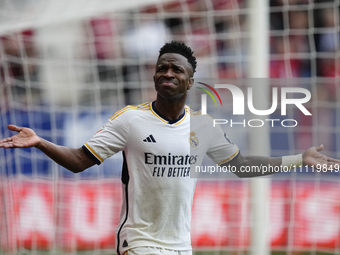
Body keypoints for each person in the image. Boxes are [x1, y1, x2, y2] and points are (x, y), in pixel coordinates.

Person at [1, 41, 340, 255]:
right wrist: (41, 141)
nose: (168, 73)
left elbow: (243, 165)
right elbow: (78, 161)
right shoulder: (130, 120)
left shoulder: (204, 126)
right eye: (162, 67)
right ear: (154, 78)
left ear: (190, 81)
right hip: (139, 243)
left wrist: (300, 158)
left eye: (177, 69)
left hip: (181, 246)